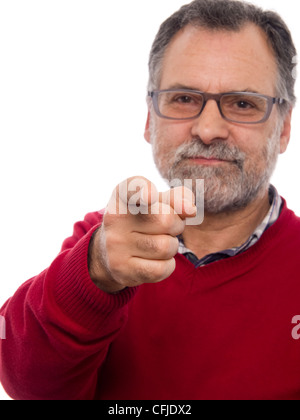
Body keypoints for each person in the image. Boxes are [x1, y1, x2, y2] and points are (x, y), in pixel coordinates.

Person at [1, 0, 300, 400]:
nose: (208, 129)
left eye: (243, 104)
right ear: (149, 119)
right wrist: (97, 274)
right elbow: (29, 386)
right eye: (183, 99)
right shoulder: (101, 244)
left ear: (283, 129)